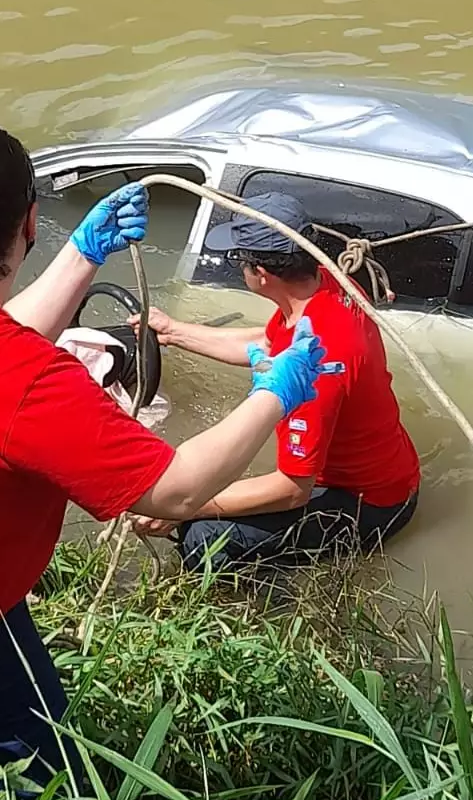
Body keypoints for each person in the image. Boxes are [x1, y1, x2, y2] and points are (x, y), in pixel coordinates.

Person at [0, 128, 334, 797]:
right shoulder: (26, 384)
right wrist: (274, 393)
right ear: (30, 221)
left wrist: (84, 258)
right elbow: (174, 492)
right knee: (39, 780)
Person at [128, 192, 420, 571]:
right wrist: (173, 332)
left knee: (204, 540)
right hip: (390, 471)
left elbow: (291, 490)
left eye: (239, 260)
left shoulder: (319, 367)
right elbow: (268, 343)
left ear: (260, 275)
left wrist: (184, 507)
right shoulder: (325, 286)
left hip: (370, 506)